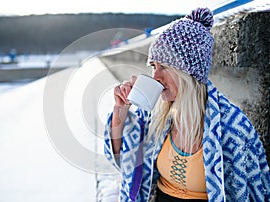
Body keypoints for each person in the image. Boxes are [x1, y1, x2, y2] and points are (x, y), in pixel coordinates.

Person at [103, 7, 270, 202]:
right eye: (153, 67)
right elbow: (122, 160)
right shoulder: (155, 115)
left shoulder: (232, 127)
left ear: (188, 72)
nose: (155, 76)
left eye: (164, 67)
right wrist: (120, 112)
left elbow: (255, 192)